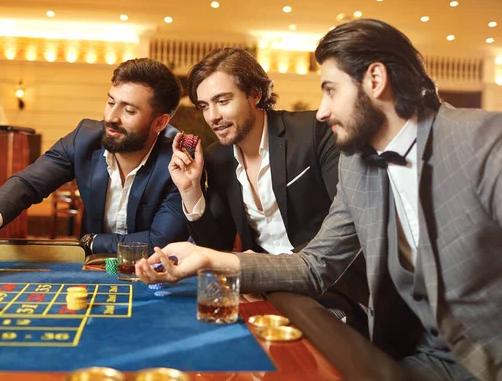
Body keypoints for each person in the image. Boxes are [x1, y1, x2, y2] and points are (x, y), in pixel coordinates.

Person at [137, 19, 502, 381]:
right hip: (411, 355)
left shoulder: (485, 141)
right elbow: (314, 266)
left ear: (375, 80)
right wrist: (209, 257)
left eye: (331, 90)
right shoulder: (361, 165)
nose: (323, 111)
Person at [169, 47, 367, 328]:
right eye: (204, 106)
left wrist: (264, 270)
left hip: (331, 289)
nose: (212, 116)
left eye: (222, 101)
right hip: (260, 293)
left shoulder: (314, 131)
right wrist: (190, 190)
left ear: (255, 94)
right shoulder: (218, 156)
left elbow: (350, 228)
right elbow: (218, 248)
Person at [0, 58, 189, 280]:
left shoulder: (176, 161)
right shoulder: (84, 138)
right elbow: (28, 183)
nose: (111, 117)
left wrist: (91, 241)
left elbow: (160, 242)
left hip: (157, 273)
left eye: (128, 111)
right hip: (98, 267)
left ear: (160, 122)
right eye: (110, 102)